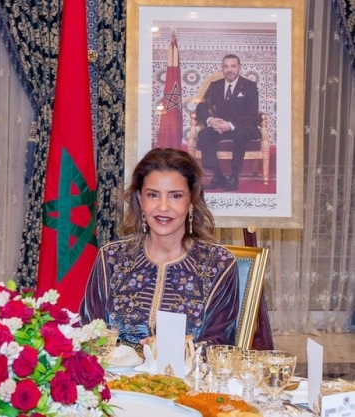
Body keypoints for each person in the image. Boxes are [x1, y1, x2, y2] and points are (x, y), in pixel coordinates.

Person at [79, 148, 238, 349]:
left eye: (175, 196)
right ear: (140, 198)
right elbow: (89, 333)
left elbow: (220, 346)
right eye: (153, 195)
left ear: (191, 200)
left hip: (190, 370)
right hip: (115, 369)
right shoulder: (112, 258)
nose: (163, 207)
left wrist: (172, 350)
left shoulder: (218, 264)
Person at [195, 54, 261, 192]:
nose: (229, 70)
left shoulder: (249, 86)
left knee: (239, 133)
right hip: (221, 126)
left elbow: (252, 114)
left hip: (244, 127)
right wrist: (211, 120)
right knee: (203, 134)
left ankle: (234, 176)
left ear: (239, 67)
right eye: (226, 66)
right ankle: (218, 175)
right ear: (222, 68)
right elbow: (201, 106)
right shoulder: (216, 86)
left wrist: (230, 125)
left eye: (233, 66)